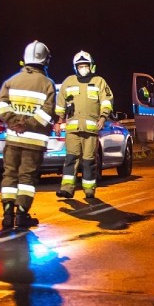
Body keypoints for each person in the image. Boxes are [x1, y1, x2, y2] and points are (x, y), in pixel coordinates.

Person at [0, 40, 56, 231]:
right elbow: (47, 114)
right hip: (34, 142)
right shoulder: (47, 84)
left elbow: (0, 104)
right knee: (27, 179)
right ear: (45, 61)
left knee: (9, 176)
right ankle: (21, 214)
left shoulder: (11, 81)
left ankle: (7, 215)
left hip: (13, 139)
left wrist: (13, 121)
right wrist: (27, 124)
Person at [55, 50, 113, 200]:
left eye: (85, 65)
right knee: (70, 159)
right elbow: (61, 103)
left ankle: (89, 189)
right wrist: (59, 121)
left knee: (89, 161)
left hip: (91, 130)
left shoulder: (99, 81)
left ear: (91, 66)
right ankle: (67, 189)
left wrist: (103, 118)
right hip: (73, 130)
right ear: (75, 67)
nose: (83, 67)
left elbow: (106, 101)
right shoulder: (68, 82)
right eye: (80, 65)